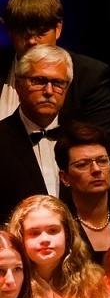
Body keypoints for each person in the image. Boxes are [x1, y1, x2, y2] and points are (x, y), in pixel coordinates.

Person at [1, 0, 110, 134]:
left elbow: (102, 140)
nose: (31, 41)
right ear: (10, 32)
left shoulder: (90, 76)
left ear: (58, 29)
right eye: (23, 32)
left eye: (41, 32)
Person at [0, 44, 77, 223]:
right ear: (18, 85)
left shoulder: (80, 138)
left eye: (58, 83)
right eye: (39, 81)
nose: (49, 91)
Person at [9, 194, 107, 298]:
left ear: (67, 234)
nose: (44, 239)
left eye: (53, 230)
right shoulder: (10, 285)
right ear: (21, 238)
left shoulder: (95, 283)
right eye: (34, 233)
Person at [55, 121, 110, 258]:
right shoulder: (59, 225)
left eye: (102, 161)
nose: (96, 169)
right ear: (65, 177)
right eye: (82, 164)